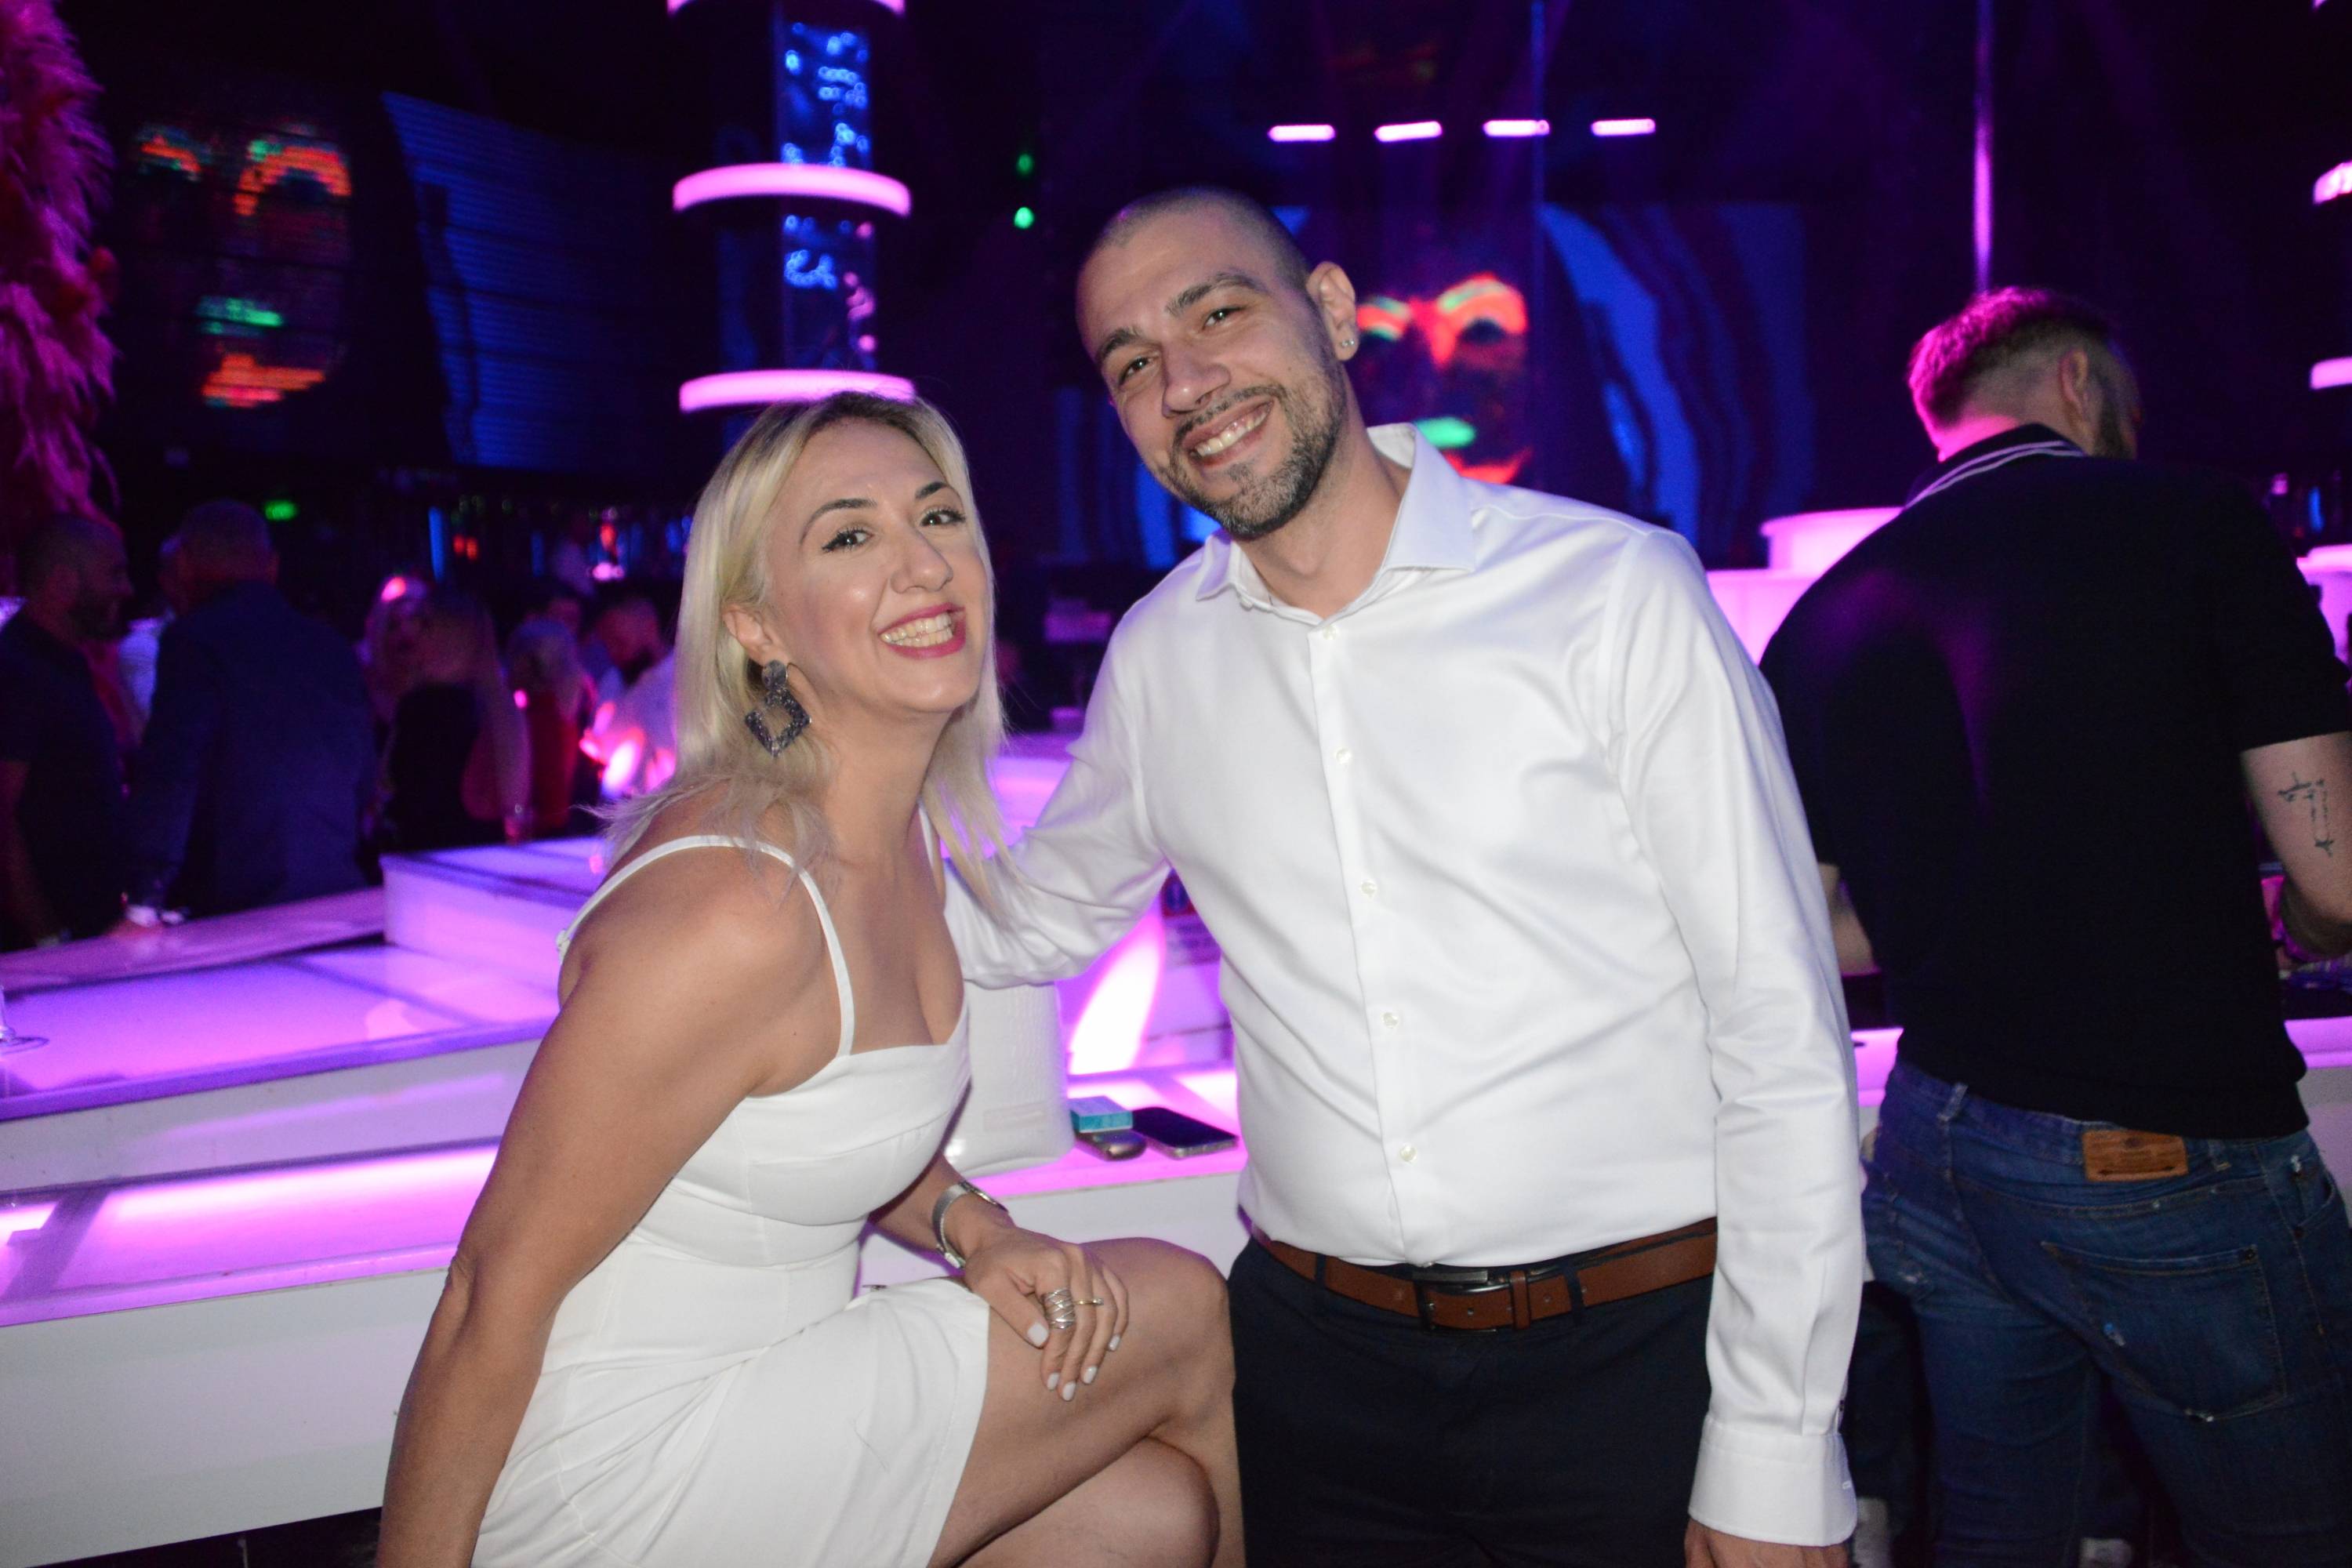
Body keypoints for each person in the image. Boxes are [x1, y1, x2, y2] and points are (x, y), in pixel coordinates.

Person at [948, 187, 1862, 1565]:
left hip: (1636, 1370)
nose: (1184, 383)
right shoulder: (1163, 655)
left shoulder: (1613, 594)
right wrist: (793, 845)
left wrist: (1776, 1453)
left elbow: (1780, 1036)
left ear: (1329, 311)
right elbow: (1029, 918)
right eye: (1132, 364)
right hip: (1324, 1382)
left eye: (1218, 313)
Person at [378, 392, 1242, 1568]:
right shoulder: (737, 907)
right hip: (622, 1464)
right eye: (851, 535)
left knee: (1148, 1519)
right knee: (1182, 1308)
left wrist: (972, 1225)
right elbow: (490, 1293)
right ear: (757, 626)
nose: (923, 563)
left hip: (768, 1390)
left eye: (938, 516)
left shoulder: (903, 838)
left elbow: (815, 1126)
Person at [1760, 288, 2352, 1563]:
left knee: (2000, 1531)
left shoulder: (1827, 614)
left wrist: (1972, 905)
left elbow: (1808, 928)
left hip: (1936, 1151)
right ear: (2079, 382)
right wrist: (2299, 932)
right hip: (2161, 1143)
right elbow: (2343, 879)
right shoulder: (2191, 524)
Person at [116, 501, 376, 924]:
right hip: (337, 889)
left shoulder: (194, 641)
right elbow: (362, 773)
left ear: (183, 566)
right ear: (272, 566)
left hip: (241, 904)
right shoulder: (330, 645)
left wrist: (145, 899)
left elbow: (173, 773)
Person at [0, 515, 131, 946]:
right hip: (49, 947)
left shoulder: (60, 662)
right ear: (62, 583)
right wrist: (45, 935)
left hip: (81, 930)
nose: (127, 589)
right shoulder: (18, 672)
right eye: (114, 574)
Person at [376, 587, 532, 851]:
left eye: (425, 624)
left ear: (452, 638)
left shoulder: (426, 707)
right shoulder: (498, 704)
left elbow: (404, 795)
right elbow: (515, 803)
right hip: (485, 855)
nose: (413, 632)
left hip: (428, 859)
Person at [504, 615, 598, 837]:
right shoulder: (559, 712)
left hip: (539, 839)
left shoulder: (542, 717)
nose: (508, 666)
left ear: (531, 663)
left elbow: (552, 808)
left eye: (515, 656)